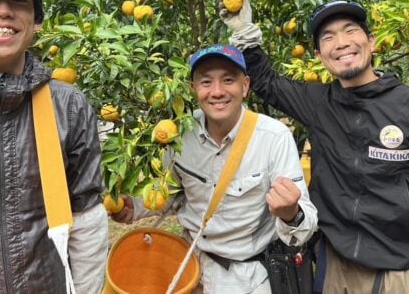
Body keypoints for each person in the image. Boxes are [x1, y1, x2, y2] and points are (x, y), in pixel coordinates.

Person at [221, 0, 409, 294]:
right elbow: (267, 83)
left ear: (371, 42)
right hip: (336, 269)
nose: (342, 42)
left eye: (350, 30)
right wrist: (245, 34)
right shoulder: (318, 104)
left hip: (402, 274)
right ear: (320, 55)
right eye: (329, 37)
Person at [113, 44, 318, 293]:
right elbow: (174, 192)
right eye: (206, 82)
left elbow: (305, 224)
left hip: (247, 279)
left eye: (228, 80)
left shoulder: (273, 137)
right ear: (193, 88)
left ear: (245, 86)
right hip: (190, 269)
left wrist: (290, 213)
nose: (217, 91)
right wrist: (134, 207)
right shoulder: (178, 136)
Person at [0, 0, 108, 293]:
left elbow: (87, 221)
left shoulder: (67, 106)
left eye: (18, 1)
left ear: (36, 21)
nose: (3, 11)